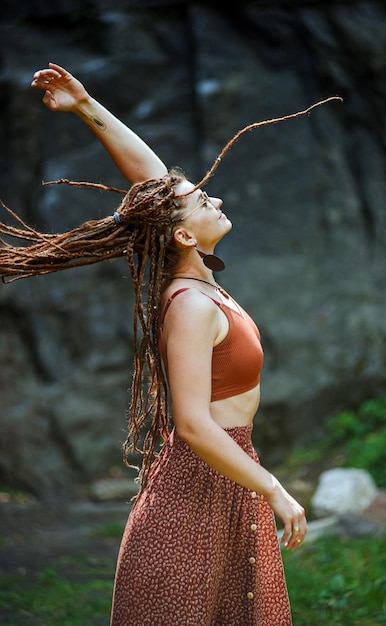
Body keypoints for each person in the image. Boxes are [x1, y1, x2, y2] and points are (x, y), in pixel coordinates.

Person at [1, 62, 311, 626]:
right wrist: (275, 490)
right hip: (193, 496)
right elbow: (193, 425)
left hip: (225, 482)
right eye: (202, 202)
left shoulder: (201, 283)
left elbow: (153, 180)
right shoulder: (191, 306)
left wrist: (85, 104)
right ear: (185, 235)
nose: (213, 199)